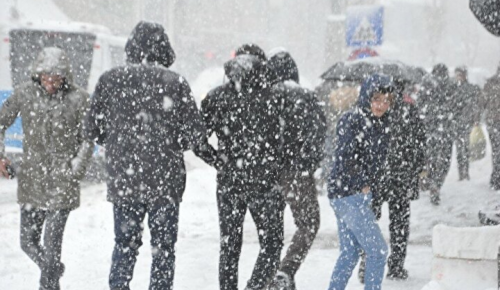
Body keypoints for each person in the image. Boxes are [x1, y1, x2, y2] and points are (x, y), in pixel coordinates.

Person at [85, 21, 211, 290]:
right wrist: (170, 144)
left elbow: (92, 129)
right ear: (164, 48)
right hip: (165, 181)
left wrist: (118, 143)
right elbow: (194, 134)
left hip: (125, 179)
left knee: (124, 245)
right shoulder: (175, 83)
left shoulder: (110, 80)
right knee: (163, 248)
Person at [0, 47, 94, 290]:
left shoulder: (79, 99)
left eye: (56, 78)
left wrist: (77, 168)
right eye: (46, 77)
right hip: (32, 179)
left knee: (52, 243)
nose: (50, 83)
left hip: (63, 180)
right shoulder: (24, 94)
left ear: (65, 76)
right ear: (38, 75)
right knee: (27, 242)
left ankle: (48, 284)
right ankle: (52, 269)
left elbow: (88, 137)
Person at [198, 44, 285, 290]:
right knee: (272, 244)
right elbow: (286, 141)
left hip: (229, 181)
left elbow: (197, 140)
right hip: (265, 182)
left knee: (229, 245)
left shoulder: (216, 96)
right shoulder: (274, 97)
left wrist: (219, 162)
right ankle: (255, 287)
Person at [266, 50, 326, 290]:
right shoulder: (306, 97)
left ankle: (273, 275)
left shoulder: (264, 97)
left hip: (268, 172)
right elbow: (319, 133)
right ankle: (286, 271)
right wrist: (309, 164)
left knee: (271, 230)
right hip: (297, 172)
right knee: (309, 223)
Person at [327, 74, 394, 290]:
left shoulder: (379, 123)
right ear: (366, 97)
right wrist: (363, 182)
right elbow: (345, 158)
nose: (381, 105)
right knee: (378, 251)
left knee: (350, 252)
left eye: (386, 100)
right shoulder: (354, 120)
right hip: (349, 195)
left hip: (347, 195)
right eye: (376, 99)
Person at [358, 80, 426, 282]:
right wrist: (417, 168)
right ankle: (396, 266)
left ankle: (367, 263)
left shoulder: (377, 109)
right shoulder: (409, 108)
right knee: (400, 223)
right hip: (401, 176)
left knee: (370, 221)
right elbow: (420, 141)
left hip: (379, 175)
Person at [418, 64, 456, 205]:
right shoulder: (451, 86)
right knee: (445, 160)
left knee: (430, 159)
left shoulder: (426, 85)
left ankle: (430, 180)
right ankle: (437, 183)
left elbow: (420, 106)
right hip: (446, 129)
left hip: (430, 129)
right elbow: (457, 106)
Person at [450, 66, 481, 181]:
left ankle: (465, 171)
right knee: (459, 149)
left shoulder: (470, 89)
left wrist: (475, 119)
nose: (459, 77)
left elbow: (475, 105)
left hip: (466, 122)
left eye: (460, 75)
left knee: (465, 148)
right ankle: (461, 172)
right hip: (457, 122)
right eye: (457, 75)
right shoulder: (453, 88)